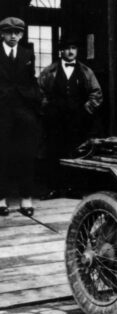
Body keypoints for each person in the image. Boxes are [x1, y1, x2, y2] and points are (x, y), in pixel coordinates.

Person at [38, 36, 103, 198]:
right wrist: (48, 108)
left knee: (76, 151)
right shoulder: (49, 71)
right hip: (55, 120)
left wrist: (87, 109)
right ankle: (54, 188)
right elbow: (39, 91)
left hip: (78, 120)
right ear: (61, 51)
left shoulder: (86, 71)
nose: (70, 51)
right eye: (67, 48)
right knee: (54, 151)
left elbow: (96, 93)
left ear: (77, 50)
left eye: (73, 48)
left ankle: (75, 188)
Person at [0, 17, 42, 217]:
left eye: (17, 33)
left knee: (26, 154)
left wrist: (34, 99)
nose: (13, 36)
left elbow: (31, 80)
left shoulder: (27, 54)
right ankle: (1, 199)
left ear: (22, 34)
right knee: (2, 154)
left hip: (23, 111)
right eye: (9, 32)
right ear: (2, 33)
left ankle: (26, 197)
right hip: (1, 112)